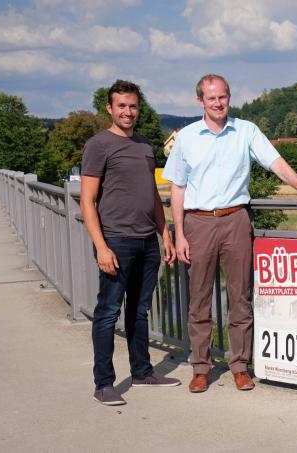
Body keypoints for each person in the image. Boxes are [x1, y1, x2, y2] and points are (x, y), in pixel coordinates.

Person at [163, 74, 297, 393]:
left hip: (236, 219)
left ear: (229, 97)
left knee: (240, 298)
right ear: (200, 101)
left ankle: (240, 366)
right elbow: (178, 188)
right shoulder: (186, 137)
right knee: (199, 300)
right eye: (211, 98)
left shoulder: (246, 131)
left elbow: (274, 162)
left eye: (222, 96)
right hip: (198, 223)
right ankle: (200, 367)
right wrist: (180, 233)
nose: (218, 103)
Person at [81, 80, 180, 406]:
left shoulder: (145, 146)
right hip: (117, 241)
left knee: (139, 312)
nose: (128, 112)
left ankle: (142, 371)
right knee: (108, 313)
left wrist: (164, 233)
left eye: (133, 106)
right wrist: (102, 246)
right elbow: (87, 201)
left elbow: (152, 195)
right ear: (109, 108)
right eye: (121, 106)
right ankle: (104, 383)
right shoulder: (99, 145)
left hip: (147, 242)